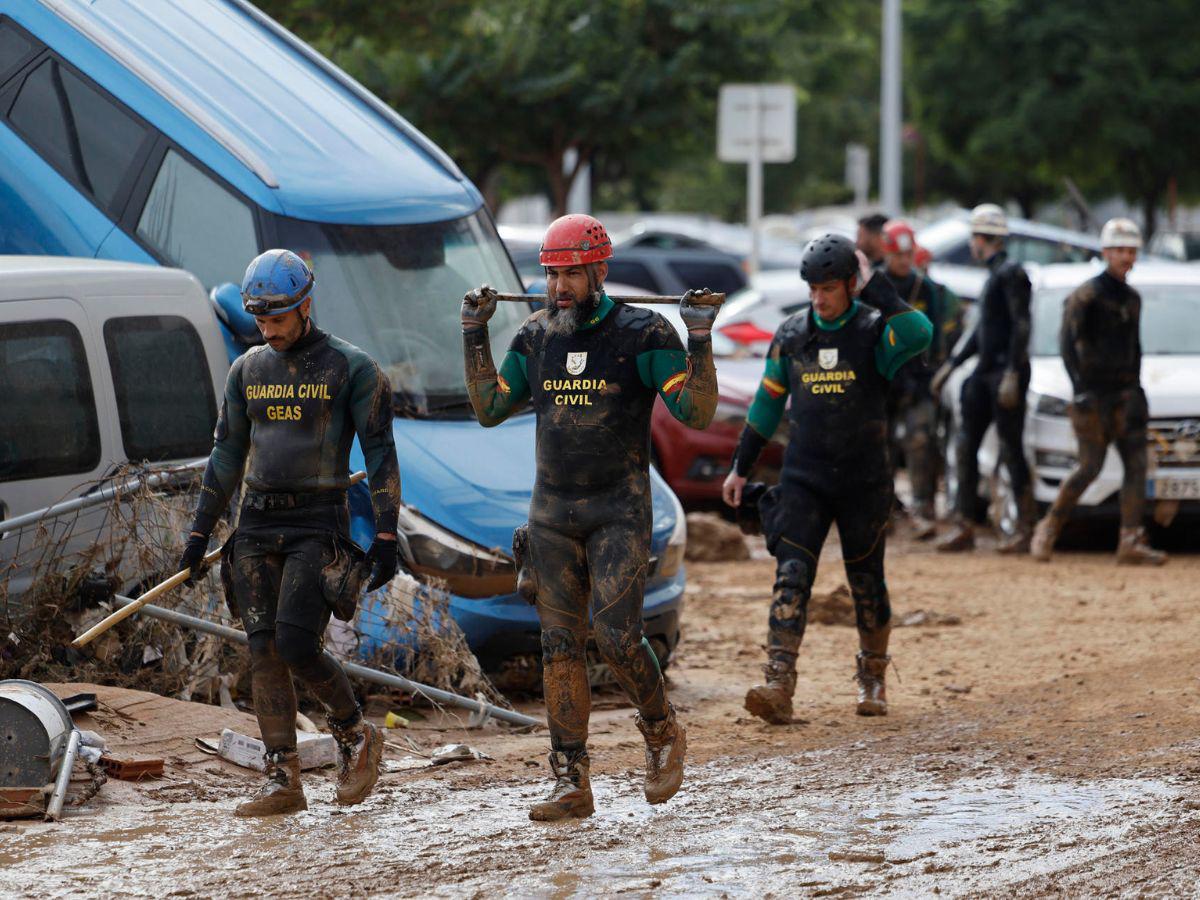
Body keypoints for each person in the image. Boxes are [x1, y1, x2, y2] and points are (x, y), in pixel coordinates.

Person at [461, 214, 717, 821]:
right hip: (551, 514)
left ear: (600, 269)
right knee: (557, 645)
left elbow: (698, 414)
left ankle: (660, 733)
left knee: (617, 636)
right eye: (551, 275)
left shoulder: (644, 333)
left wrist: (699, 337)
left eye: (571, 273)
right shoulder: (535, 336)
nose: (558, 287)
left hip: (618, 511)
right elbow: (490, 408)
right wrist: (473, 334)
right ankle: (570, 779)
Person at [178, 249, 402, 816]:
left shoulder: (353, 369)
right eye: (260, 319)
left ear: (306, 305)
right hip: (255, 523)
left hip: (316, 522)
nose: (269, 330)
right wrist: (200, 533)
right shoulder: (247, 369)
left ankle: (355, 734)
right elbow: (226, 454)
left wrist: (385, 532)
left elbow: (380, 453)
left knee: (297, 642)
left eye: (278, 317)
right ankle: (282, 778)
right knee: (262, 651)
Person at [722, 234, 932, 724]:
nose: (819, 297)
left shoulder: (876, 331)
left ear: (850, 285)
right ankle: (778, 682)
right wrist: (740, 467)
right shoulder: (792, 336)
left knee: (866, 581)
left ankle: (873, 678)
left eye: (830, 287)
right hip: (805, 476)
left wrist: (876, 285)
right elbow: (766, 403)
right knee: (791, 575)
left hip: (864, 480)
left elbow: (920, 333)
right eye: (813, 287)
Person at [1031, 219, 1166, 565]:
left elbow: (1135, 347)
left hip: (1126, 397)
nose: (1126, 257)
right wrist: (1079, 390)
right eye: (1120, 250)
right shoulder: (1086, 295)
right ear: (1106, 253)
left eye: (1131, 251)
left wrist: (1137, 390)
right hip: (1093, 398)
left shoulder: (1132, 298)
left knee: (1137, 467)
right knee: (1089, 467)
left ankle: (1130, 541)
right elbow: (1066, 343)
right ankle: (1048, 529)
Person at [933, 204, 1034, 553]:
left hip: (1004, 375)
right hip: (984, 373)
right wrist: (952, 365)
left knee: (1011, 448)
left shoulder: (1011, 274)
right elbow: (983, 332)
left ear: (980, 239)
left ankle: (1023, 529)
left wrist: (1012, 373)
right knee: (965, 445)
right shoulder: (993, 276)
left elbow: (1022, 325)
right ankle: (965, 524)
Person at [879, 220, 960, 539]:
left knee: (921, 441)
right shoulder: (877, 286)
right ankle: (881, 511)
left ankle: (922, 509)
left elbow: (936, 336)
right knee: (879, 446)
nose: (903, 260)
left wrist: (931, 377)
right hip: (883, 380)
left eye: (907, 254)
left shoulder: (925, 289)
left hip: (919, 379)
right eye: (897, 255)